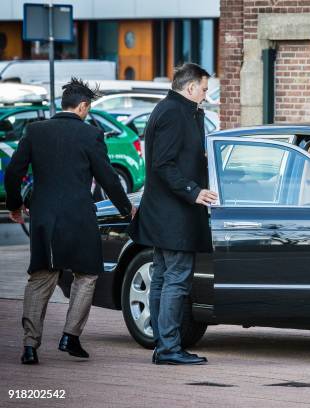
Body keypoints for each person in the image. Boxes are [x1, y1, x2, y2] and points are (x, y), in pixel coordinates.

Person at [4, 78, 135, 365]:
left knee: (41, 279)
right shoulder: (91, 135)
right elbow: (107, 178)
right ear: (83, 107)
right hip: (80, 218)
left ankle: (30, 345)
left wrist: (15, 206)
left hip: (44, 218)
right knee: (86, 276)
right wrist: (126, 209)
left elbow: (13, 172)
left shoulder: (35, 131)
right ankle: (70, 336)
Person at [127, 63, 218, 366]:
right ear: (190, 87)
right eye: (204, 89)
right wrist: (193, 191)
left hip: (164, 213)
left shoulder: (173, 110)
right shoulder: (174, 113)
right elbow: (163, 164)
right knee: (175, 280)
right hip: (173, 215)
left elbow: (171, 158)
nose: (206, 95)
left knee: (163, 278)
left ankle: (162, 345)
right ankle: (168, 348)